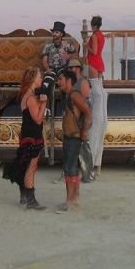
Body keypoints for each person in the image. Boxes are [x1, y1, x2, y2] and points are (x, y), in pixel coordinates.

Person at [2, 67, 48, 210]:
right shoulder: (30, 97)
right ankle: (31, 200)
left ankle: (24, 195)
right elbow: (38, 120)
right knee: (31, 167)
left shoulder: (27, 95)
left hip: (28, 134)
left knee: (27, 165)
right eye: (40, 77)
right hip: (33, 135)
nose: (41, 79)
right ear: (34, 79)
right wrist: (44, 103)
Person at [55, 69, 91, 213]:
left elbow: (88, 112)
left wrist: (83, 132)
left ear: (69, 81)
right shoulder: (68, 96)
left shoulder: (74, 95)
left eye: (61, 79)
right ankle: (72, 199)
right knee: (71, 169)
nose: (59, 82)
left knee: (70, 170)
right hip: (70, 137)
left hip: (74, 138)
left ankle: (71, 201)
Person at [86, 15, 107, 177]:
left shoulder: (94, 36)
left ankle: (95, 112)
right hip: (99, 61)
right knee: (99, 89)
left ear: (93, 25)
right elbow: (99, 50)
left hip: (93, 61)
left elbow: (93, 50)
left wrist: (86, 44)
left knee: (95, 90)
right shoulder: (102, 35)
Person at [41, 21, 79, 99]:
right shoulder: (48, 45)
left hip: (62, 68)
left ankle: (66, 105)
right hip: (51, 68)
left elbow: (75, 55)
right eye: (53, 32)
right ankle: (46, 107)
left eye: (56, 32)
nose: (54, 34)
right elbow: (44, 60)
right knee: (45, 84)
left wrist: (67, 54)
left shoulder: (66, 44)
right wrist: (47, 69)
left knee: (65, 82)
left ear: (61, 34)